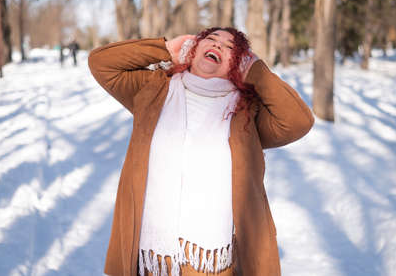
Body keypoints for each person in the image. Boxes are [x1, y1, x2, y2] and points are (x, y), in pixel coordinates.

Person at [88, 27, 314, 276]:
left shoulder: (247, 112)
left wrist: (257, 72)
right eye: (211, 39)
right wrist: (163, 49)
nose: (218, 46)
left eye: (230, 48)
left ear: (238, 65)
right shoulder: (152, 90)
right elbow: (101, 63)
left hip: (212, 260)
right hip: (152, 256)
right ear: (192, 51)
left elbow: (298, 121)